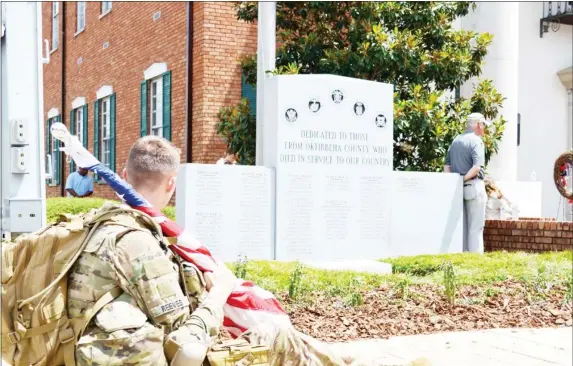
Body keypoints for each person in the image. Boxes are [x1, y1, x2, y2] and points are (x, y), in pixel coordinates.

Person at [67, 136, 427, 366]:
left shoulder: (96, 226)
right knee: (276, 337)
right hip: (148, 356)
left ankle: (346, 359)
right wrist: (220, 289)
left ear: (124, 175)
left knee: (286, 341)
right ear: (172, 184)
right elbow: (185, 346)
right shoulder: (140, 242)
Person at [444, 113, 490, 253]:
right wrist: (463, 179)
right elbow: (477, 167)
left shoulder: (456, 140)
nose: (484, 129)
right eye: (483, 125)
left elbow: (447, 167)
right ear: (479, 124)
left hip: (458, 190)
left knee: (461, 228)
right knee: (475, 229)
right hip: (474, 187)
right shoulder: (476, 141)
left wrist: (456, 182)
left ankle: (463, 259)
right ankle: (475, 263)